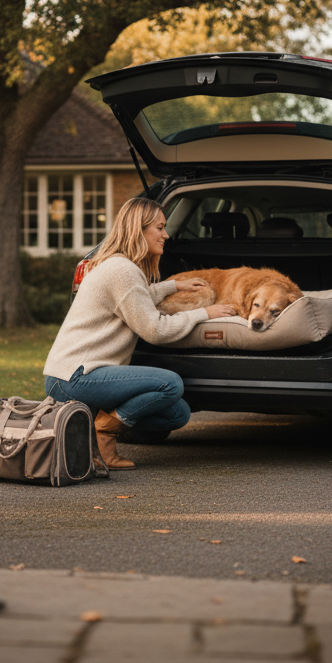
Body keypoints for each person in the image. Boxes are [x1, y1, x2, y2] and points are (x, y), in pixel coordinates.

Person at [42, 197, 236, 469]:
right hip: (75, 377)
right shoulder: (123, 270)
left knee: (177, 414)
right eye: (159, 227)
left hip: (77, 375)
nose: (166, 235)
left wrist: (174, 286)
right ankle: (104, 432)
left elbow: (136, 298)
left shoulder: (117, 265)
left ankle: (94, 422)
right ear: (138, 230)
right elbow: (155, 330)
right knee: (170, 384)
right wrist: (204, 313)